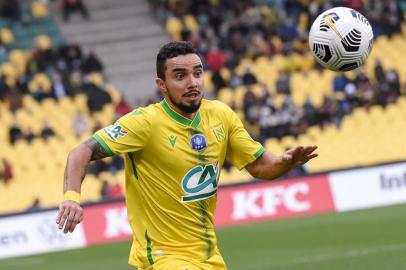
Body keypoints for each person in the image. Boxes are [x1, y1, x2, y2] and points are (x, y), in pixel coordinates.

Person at [56, 41, 318, 270]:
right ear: (162, 85)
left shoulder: (221, 116)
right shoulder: (145, 124)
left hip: (208, 256)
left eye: (197, 73)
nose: (192, 82)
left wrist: (286, 162)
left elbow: (260, 167)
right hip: (163, 258)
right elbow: (82, 150)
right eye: (180, 76)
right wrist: (71, 199)